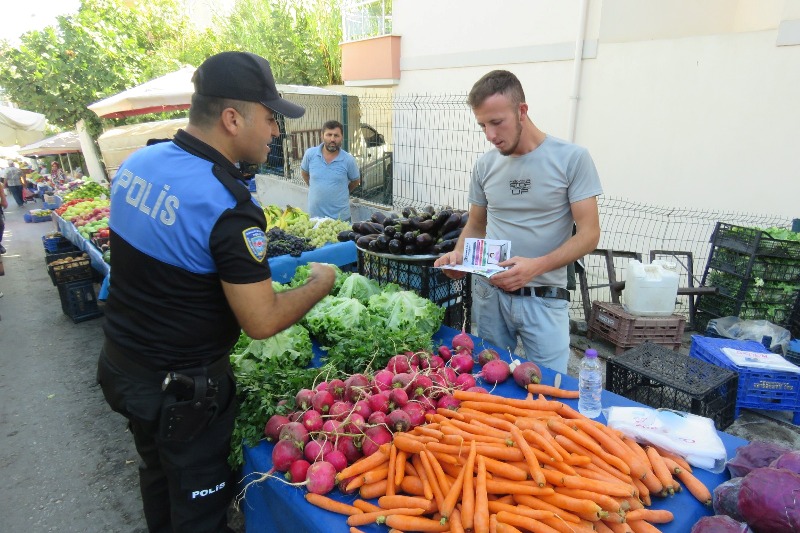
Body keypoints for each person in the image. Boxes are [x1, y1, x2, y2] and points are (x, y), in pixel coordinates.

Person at [96, 51, 336, 533]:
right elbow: (261, 320)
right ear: (232, 118)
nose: (274, 131)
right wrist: (319, 283)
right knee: (200, 513)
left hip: (124, 368)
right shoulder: (227, 205)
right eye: (270, 119)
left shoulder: (141, 163)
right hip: (182, 395)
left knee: (157, 478)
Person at [434, 70, 603, 374]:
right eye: (483, 125)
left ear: (522, 111)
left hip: (545, 299)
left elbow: (589, 235)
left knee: (548, 390)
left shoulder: (572, 159)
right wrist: (461, 258)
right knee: (491, 385)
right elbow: (476, 223)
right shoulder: (485, 165)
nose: (490, 135)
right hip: (490, 297)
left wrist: (535, 267)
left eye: (497, 122)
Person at [301, 119, 361, 221]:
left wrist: (342, 191)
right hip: (315, 218)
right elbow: (305, 173)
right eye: (329, 135)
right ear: (322, 136)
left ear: (342, 137)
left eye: (336, 135)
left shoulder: (348, 160)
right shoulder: (310, 154)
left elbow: (355, 181)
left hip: (340, 220)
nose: (332, 139)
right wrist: (316, 187)